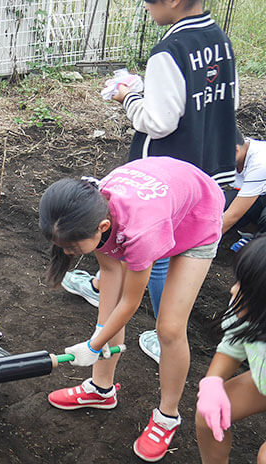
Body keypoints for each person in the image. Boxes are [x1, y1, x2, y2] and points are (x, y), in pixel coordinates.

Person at [61, 0, 238, 363]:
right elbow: (226, 101)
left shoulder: (169, 50)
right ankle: (136, 316)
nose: (145, 6)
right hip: (207, 164)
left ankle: (163, 334)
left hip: (168, 172)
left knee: (155, 253)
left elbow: (159, 121)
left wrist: (130, 96)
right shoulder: (217, 37)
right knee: (158, 251)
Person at [40, 157, 224, 463]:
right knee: (106, 310)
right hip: (163, 198)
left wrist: (92, 346)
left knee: (169, 328)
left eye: (72, 247)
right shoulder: (92, 205)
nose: (66, 253)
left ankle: (167, 417)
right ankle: (101, 390)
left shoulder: (139, 232)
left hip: (196, 217)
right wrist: (100, 334)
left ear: (102, 228)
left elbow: (131, 302)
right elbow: (112, 277)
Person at [152, 236, 266, 464]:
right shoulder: (252, 312)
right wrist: (213, 383)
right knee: (208, 410)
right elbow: (233, 344)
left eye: (246, 288)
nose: (233, 289)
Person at [222, 129, 266, 247]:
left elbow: (233, 215)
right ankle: (252, 232)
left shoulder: (260, 163)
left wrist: (199, 245)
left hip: (261, 193)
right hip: (260, 193)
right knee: (220, 206)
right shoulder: (235, 153)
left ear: (236, 151)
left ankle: (259, 243)